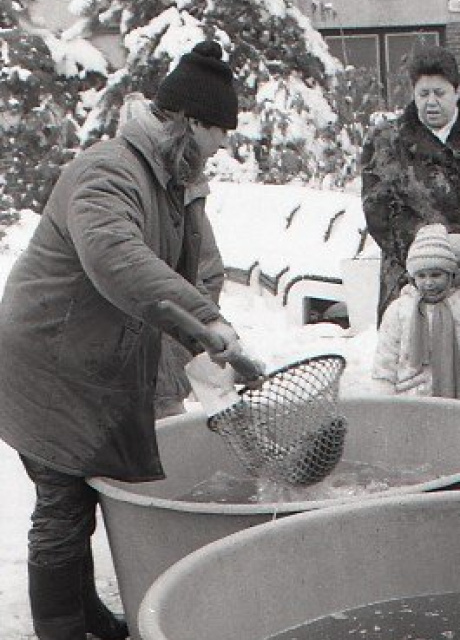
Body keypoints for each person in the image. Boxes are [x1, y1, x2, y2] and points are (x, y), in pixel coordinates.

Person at [0, 41, 265, 640]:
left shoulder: (173, 181)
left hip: (91, 360)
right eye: (219, 131)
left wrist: (212, 348)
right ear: (189, 122)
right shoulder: (108, 170)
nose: (222, 146)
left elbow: (188, 275)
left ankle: (86, 613)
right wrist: (206, 323)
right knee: (63, 503)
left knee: (86, 492)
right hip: (47, 360)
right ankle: (61, 628)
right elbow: (117, 258)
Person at [360, 45, 460, 324]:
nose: (431, 102)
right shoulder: (386, 141)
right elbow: (378, 211)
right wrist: (432, 248)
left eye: (439, 93)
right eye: (423, 94)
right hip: (411, 282)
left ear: (457, 91)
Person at [371, 224, 460, 402]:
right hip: (413, 397)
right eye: (421, 276)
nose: (429, 283)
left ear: (451, 274)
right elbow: (386, 356)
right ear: (412, 277)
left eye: (436, 275)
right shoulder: (400, 309)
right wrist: (384, 397)